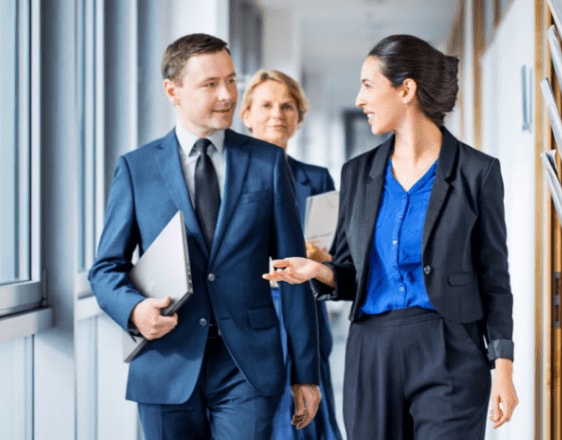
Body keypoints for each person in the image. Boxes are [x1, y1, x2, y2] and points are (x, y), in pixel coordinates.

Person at [263, 34, 519, 440]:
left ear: (406, 89)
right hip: (372, 350)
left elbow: (494, 277)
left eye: (367, 85)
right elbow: (350, 274)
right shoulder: (357, 174)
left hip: (450, 346)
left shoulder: (477, 172)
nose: (359, 99)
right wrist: (319, 270)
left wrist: (502, 366)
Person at [88, 33, 321, 440]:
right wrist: (134, 312)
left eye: (231, 81)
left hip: (247, 366)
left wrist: (306, 373)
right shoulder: (136, 169)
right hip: (166, 362)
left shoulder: (266, 162)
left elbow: (293, 270)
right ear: (172, 91)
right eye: (210, 84)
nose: (227, 95)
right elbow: (106, 268)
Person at [241, 69, 342, 440]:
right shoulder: (227, 176)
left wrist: (319, 258)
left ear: (299, 117)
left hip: (303, 314)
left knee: (309, 417)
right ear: (247, 114)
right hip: (250, 315)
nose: (277, 114)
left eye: (287, 106)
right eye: (266, 105)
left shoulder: (316, 178)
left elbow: (338, 254)